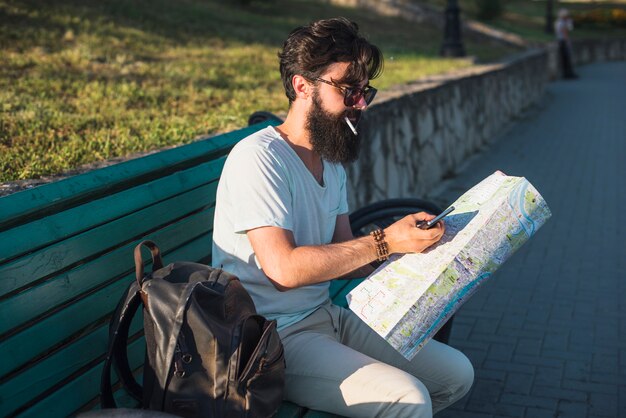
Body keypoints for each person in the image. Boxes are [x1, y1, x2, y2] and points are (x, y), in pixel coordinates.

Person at [212, 17, 474, 418]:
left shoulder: (331, 163)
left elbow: (345, 255)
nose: (361, 103)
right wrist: (385, 241)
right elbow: (283, 270)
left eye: (364, 90)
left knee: (456, 374)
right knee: (410, 399)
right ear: (303, 86)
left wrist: (414, 245)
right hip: (269, 339)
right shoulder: (259, 158)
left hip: (325, 317)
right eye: (349, 89)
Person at [555, 8, 578, 79]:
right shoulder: (561, 22)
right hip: (563, 42)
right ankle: (568, 74)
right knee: (566, 58)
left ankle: (568, 73)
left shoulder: (560, 22)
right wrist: (567, 42)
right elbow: (565, 32)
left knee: (566, 58)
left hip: (562, 41)